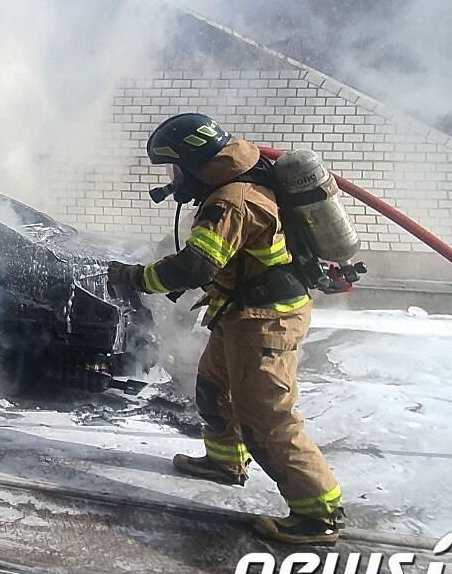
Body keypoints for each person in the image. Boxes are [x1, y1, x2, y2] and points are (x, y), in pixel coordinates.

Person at [107, 113, 343, 545]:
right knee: (214, 386)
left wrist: (135, 278)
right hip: (241, 311)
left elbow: (195, 266)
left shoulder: (231, 202)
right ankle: (226, 462)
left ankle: (317, 513)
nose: (175, 179)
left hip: (267, 321)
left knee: (268, 416)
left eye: (177, 168)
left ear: (196, 162)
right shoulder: (239, 178)